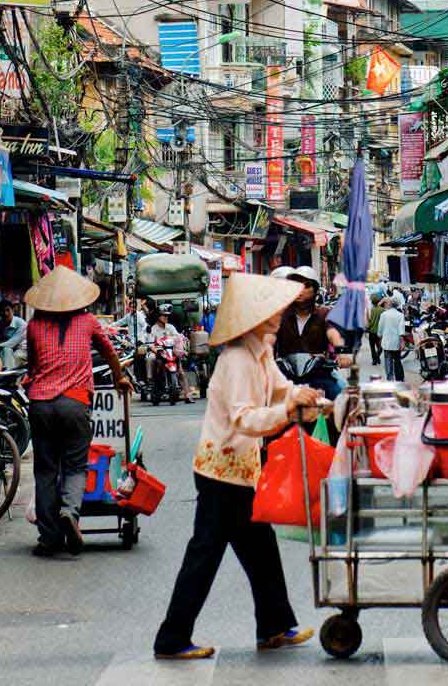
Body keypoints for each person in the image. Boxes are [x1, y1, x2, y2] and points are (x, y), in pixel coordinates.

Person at [153, 273, 323, 660]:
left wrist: (304, 395)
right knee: (205, 555)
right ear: (255, 318)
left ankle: (275, 625)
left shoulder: (260, 353)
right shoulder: (235, 362)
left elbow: (283, 388)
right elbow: (245, 419)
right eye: (271, 312)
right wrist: (288, 410)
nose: (279, 316)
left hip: (242, 469)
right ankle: (172, 639)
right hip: (220, 472)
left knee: (260, 549)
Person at [21, 266, 132, 558]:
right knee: (75, 465)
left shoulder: (34, 326)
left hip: (41, 403)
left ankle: (49, 538)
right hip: (75, 402)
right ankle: (70, 512)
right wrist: (120, 376)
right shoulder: (88, 322)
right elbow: (109, 351)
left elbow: (31, 366)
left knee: (45, 471)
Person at [271, 265, 349, 399]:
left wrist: (342, 352)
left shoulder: (324, 313)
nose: (300, 290)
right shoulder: (279, 315)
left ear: (315, 290)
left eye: (306, 286)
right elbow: (269, 338)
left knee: (345, 396)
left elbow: (333, 333)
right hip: (284, 376)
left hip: (319, 374)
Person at [377, 295, 408, 382]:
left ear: (390, 304)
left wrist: (379, 337)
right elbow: (401, 330)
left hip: (386, 342)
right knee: (397, 360)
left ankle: (389, 379)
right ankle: (400, 379)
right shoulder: (400, 315)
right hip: (396, 342)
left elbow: (380, 328)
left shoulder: (384, 314)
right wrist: (402, 342)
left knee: (388, 361)